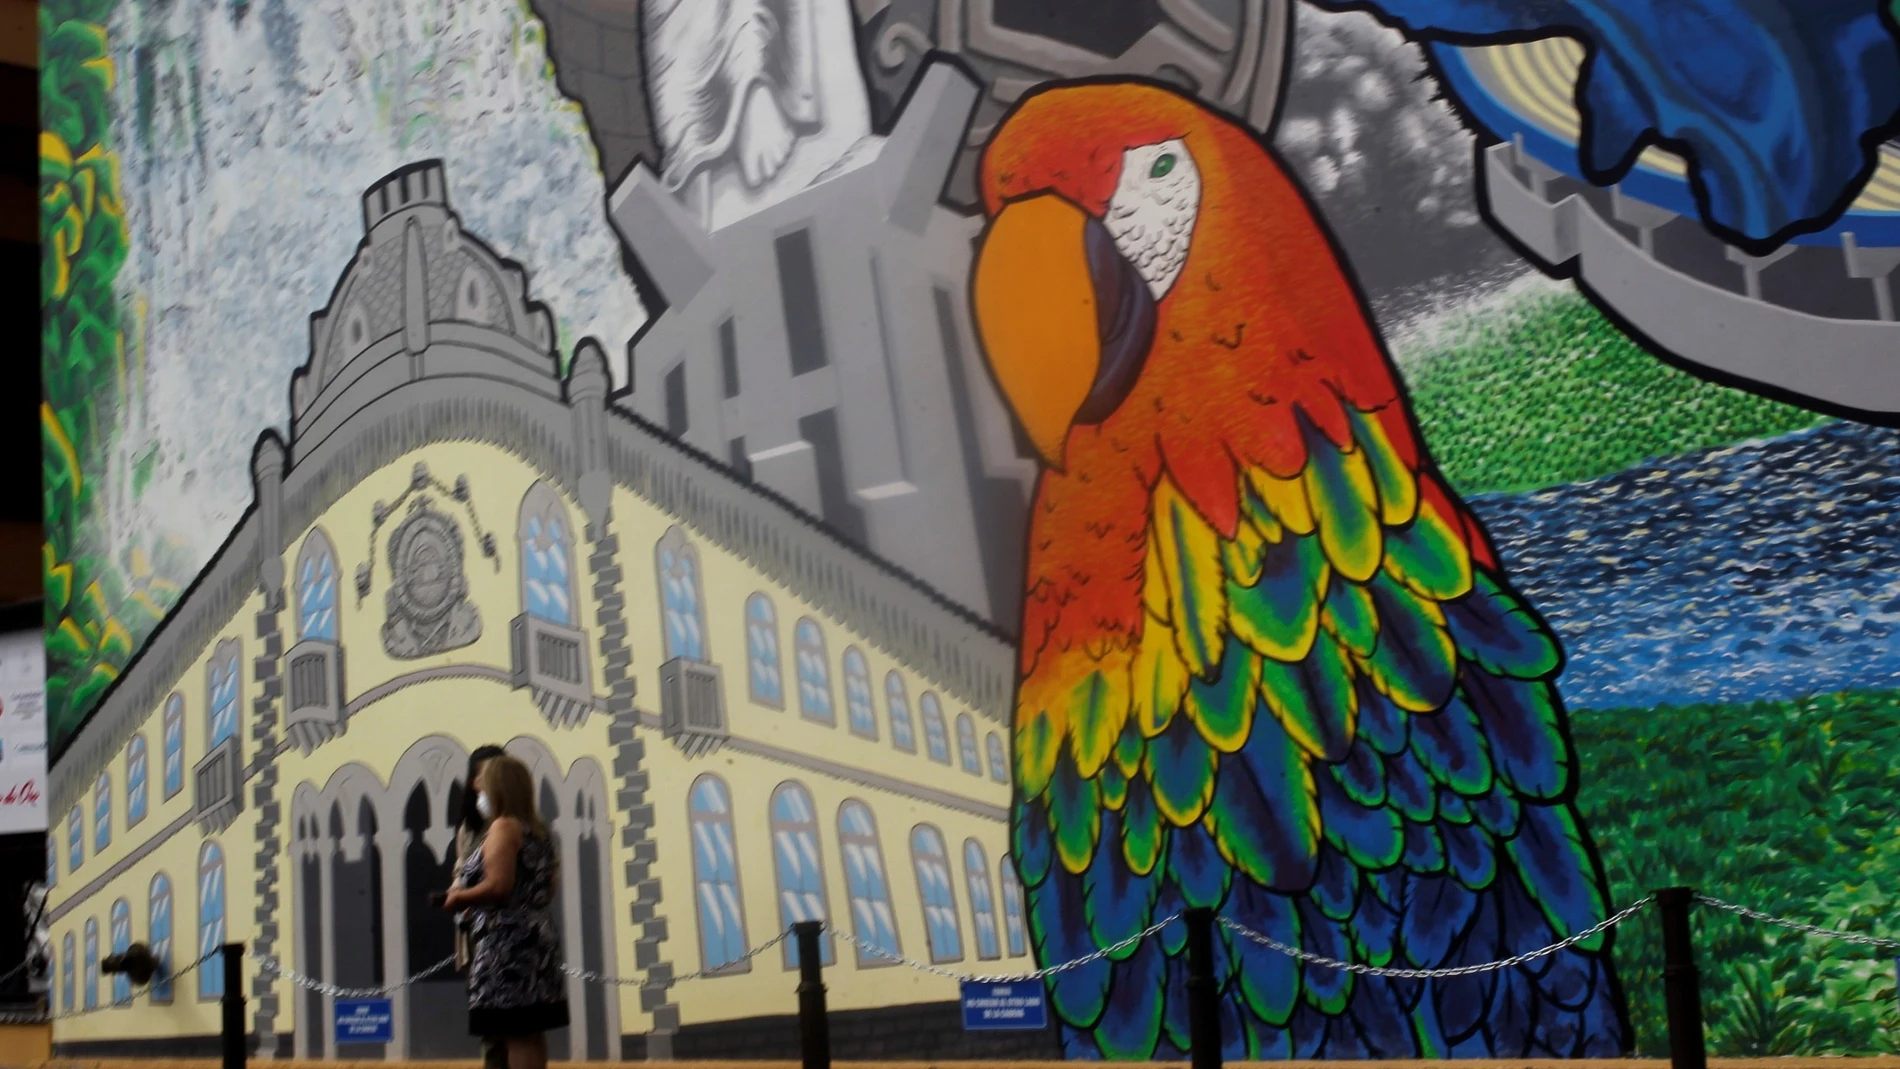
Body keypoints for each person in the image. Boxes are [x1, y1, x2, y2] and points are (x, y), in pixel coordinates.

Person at [442, 753, 569, 1069]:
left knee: (516, 1033)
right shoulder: (537, 830)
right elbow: (548, 888)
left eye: (484, 786)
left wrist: (461, 898)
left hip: (507, 945)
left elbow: (499, 885)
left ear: (498, 789)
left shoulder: (502, 827)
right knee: (531, 1032)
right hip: (537, 938)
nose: (479, 792)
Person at [454, 745, 509, 1069]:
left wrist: (467, 893)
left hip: (507, 935)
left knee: (515, 1028)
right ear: (474, 782)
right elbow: (460, 869)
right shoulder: (468, 828)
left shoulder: (515, 823)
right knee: (489, 1026)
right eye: (485, 776)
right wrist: (456, 887)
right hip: (476, 936)